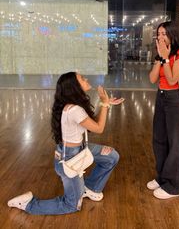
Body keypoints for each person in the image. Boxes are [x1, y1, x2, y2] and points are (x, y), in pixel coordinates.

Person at [7, 72, 124, 215]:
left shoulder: (74, 106)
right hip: (69, 159)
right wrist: (104, 103)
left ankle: (92, 187)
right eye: (82, 78)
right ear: (74, 86)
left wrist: (105, 103)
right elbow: (99, 128)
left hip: (79, 150)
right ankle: (28, 204)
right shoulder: (74, 110)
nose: (86, 79)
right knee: (72, 205)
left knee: (111, 156)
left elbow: (93, 123)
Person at [147, 21, 179, 200]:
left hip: (176, 100)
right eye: (159, 33)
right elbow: (152, 79)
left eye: (164, 33)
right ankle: (162, 177)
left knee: (175, 143)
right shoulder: (162, 54)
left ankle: (173, 186)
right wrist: (160, 58)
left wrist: (165, 58)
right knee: (159, 140)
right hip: (162, 97)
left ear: (172, 34)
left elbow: (172, 79)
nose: (160, 37)